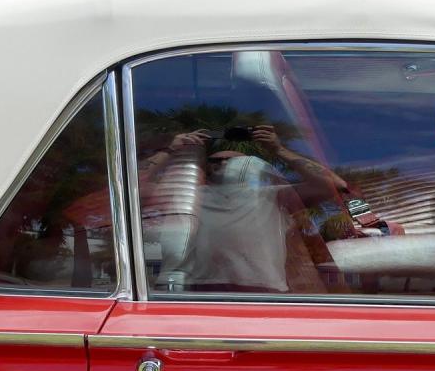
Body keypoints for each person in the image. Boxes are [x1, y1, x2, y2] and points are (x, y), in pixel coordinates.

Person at [142, 125, 346, 293]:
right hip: (201, 289)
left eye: (233, 161)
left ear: (251, 165)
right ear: (206, 166)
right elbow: (131, 188)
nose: (223, 164)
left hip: (265, 291)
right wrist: (170, 150)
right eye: (215, 160)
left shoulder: (273, 194)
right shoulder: (189, 195)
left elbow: (334, 186)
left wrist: (278, 150)